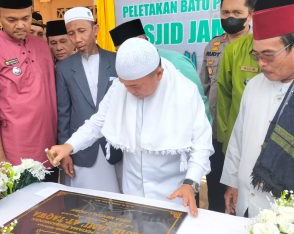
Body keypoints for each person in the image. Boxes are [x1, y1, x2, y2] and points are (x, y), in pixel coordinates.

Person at [49, 38, 213, 216]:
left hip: (173, 194)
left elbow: (201, 143)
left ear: (158, 74)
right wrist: (69, 145)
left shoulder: (185, 92)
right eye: (126, 85)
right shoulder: (121, 87)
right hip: (132, 192)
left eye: (135, 86)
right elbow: (98, 122)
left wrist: (190, 182)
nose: (129, 91)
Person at [220, 0, 294, 217]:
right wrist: (232, 183)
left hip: (284, 212)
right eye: (257, 54)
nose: (261, 63)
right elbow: (238, 138)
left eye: (268, 55)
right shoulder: (254, 85)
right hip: (246, 200)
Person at [0, 0, 57, 171]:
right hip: (14, 153)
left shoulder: (42, 46)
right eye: (11, 20)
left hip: (50, 147)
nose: (20, 25)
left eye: (26, 18)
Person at [56, 7, 122, 192]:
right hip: (81, 149)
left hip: (114, 145)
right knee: (87, 203)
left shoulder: (116, 60)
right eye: (71, 33)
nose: (77, 39)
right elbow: (63, 112)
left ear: (96, 29)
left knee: (118, 200)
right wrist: (65, 151)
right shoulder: (64, 68)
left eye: (82, 31)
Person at [199, 0, 255, 212]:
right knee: (215, 190)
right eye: (226, 12)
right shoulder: (213, 46)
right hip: (214, 133)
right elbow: (203, 87)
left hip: (242, 134)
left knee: (241, 194)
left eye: (237, 12)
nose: (230, 16)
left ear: (249, 14)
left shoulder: (256, 46)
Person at [109, 18, 212, 123]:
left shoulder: (176, 61)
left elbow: (199, 103)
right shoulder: (128, 72)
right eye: (118, 51)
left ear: (142, 40)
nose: (122, 54)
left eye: (124, 48)